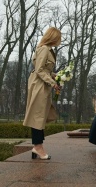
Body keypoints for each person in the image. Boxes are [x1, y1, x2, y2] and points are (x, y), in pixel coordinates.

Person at [23, 27, 62, 160]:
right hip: (39, 85)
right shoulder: (45, 49)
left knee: (39, 116)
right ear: (53, 37)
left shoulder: (46, 49)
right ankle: (38, 147)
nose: (59, 40)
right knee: (38, 116)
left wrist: (56, 76)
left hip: (41, 85)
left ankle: (38, 147)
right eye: (58, 38)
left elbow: (43, 70)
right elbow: (39, 70)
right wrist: (52, 82)